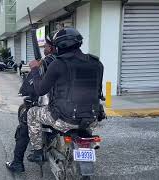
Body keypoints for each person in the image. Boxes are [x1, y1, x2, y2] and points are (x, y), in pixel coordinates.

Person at [26, 27, 104, 162]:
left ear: (59, 46)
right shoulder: (97, 63)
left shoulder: (58, 64)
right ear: (79, 43)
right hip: (92, 118)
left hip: (64, 119)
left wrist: (34, 69)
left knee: (32, 113)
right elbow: (97, 91)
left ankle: (38, 151)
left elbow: (40, 90)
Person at [5, 35, 57, 173]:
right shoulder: (82, 62)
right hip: (84, 112)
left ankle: (18, 162)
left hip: (54, 109)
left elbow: (39, 87)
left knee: (26, 124)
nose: (44, 48)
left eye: (46, 46)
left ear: (52, 48)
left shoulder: (50, 61)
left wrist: (34, 69)